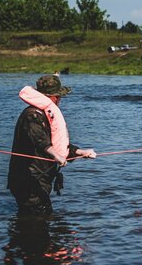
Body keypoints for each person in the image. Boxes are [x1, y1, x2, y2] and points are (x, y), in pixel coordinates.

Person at [7, 75, 96, 215]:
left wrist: (81, 152)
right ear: (51, 97)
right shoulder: (32, 115)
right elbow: (40, 141)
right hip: (28, 180)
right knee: (36, 221)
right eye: (58, 96)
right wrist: (57, 156)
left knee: (41, 219)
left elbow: (57, 144)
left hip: (40, 180)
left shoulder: (46, 114)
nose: (59, 100)